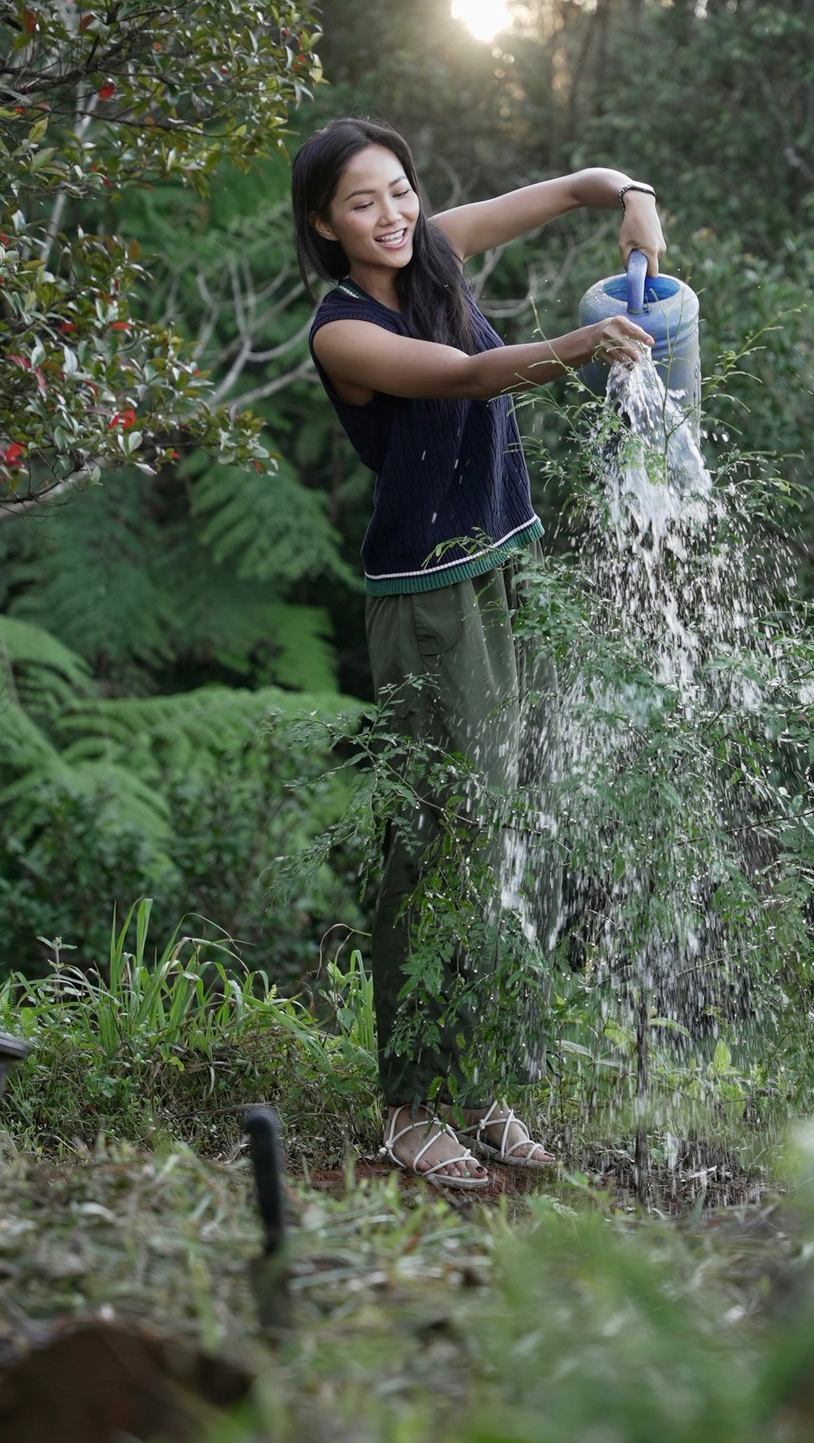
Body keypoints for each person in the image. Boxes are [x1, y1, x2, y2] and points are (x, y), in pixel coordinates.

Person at [292, 117, 663, 1187]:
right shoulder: (342, 330)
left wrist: (626, 190)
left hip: (507, 565)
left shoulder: (431, 244)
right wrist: (577, 348)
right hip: (428, 600)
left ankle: (482, 1082)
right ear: (325, 224)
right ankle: (410, 1103)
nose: (392, 215)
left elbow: (566, 188)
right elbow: (463, 376)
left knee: (513, 824)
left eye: (399, 190)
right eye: (362, 203)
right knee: (443, 840)